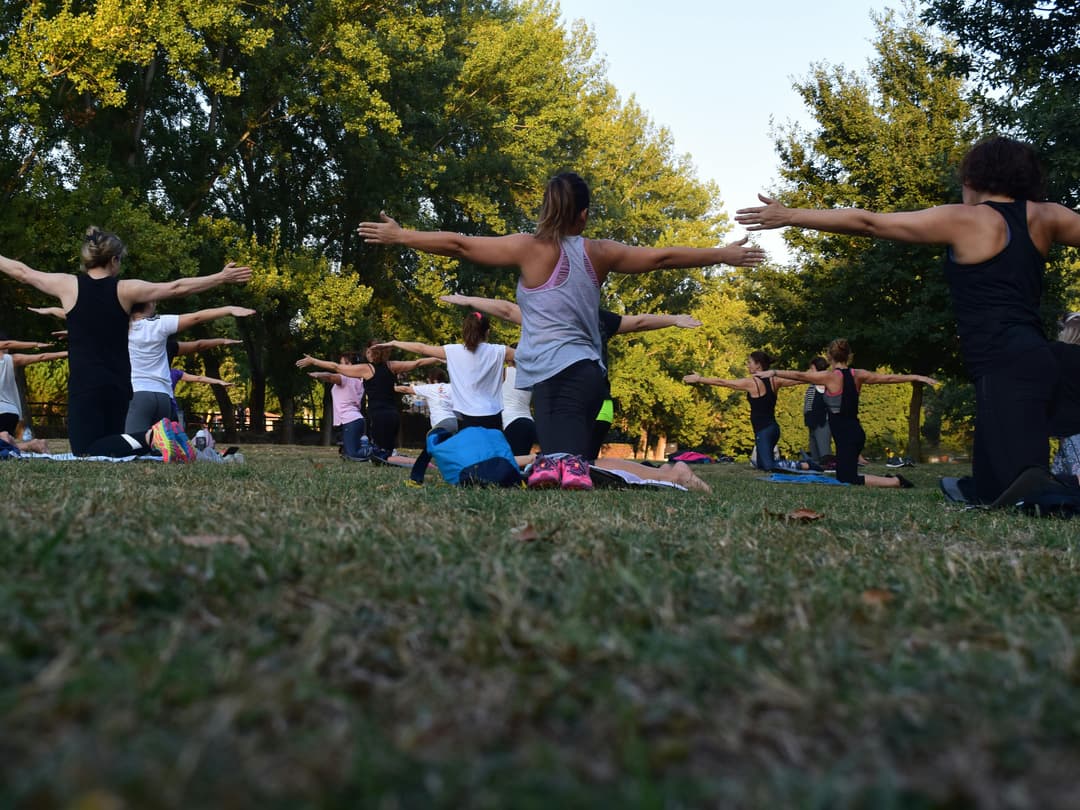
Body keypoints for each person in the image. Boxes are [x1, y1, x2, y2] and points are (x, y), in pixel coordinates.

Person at [358, 175, 764, 491]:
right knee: (561, 464)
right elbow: (662, 257)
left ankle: (672, 475)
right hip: (585, 375)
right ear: (583, 215)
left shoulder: (529, 248)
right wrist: (723, 255)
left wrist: (402, 236)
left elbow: (461, 246)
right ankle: (665, 474)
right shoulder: (600, 251)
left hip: (561, 378)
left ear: (546, 209)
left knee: (569, 467)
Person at [736, 135, 1080, 504]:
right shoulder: (1049, 216)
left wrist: (790, 215)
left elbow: (869, 223)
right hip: (1034, 359)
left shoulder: (966, 219)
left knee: (1024, 492)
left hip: (1004, 367)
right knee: (993, 487)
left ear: (975, 179)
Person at [1, 226, 252, 459]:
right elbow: (176, 288)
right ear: (113, 260)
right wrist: (219, 277)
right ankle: (167, 442)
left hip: (86, 384)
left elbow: (22, 272)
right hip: (120, 384)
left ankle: (152, 436)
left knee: (85, 450)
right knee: (114, 446)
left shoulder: (68, 285)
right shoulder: (126, 289)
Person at [755, 339, 937, 487]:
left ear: (829, 356)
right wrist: (916, 377)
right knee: (844, 474)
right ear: (849, 355)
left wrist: (774, 372)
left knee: (847, 479)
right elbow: (888, 378)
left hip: (847, 436)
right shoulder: (858, 374)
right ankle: (889, 479)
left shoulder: (829, 376)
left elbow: (800, 376)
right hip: (852, 433)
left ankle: (896, 481)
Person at [126, 302, 254, 435]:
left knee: (134, 444)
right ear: (150, 305)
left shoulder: (119, 328)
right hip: (164, 397)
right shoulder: (160, 325)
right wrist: (228, 310)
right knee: (158, 448)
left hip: (137, 394)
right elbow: (196, 322)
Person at [296, 341, 439, 455]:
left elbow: (336, 367)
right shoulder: (392, 365)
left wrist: (314, 361)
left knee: (382, 454)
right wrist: (439, 357)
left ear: (373, 353)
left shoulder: (366, 369)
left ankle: (411, 463)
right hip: (393, 415)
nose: (367, 353)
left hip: (379, 415)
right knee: (388, 451)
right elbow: (417, 362)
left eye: (369, 351)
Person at [683, 351, 803, 471]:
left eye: (750, 362)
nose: (747, 365)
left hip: (764, 432)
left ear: (758, 365)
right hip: (773, 429)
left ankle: (804, 465)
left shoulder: (751, 383)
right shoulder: (775, 380)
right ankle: (795, 464)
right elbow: (799, 379)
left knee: (768, 466)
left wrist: (699, 379)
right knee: (761, 465)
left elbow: (723, 382)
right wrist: (814, 376)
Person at [394, 366, 457, 484]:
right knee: (447, 452)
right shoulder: (452, 387)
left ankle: (415, 479)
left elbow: (406, 389)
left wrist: (388, 388)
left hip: (441, 424)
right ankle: (458, 476)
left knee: (427, 451)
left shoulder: (430, 387)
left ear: (431, 380)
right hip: (454, 422)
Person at [304, 351, 369, 460]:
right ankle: (371, 449)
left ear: (350, 365)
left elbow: (330, 377)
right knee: (347, 452)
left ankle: (376, 451)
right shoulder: (360, 380)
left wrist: (318, 374)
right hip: (356, 420)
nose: (340, 366)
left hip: (350, 420)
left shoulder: (345, 378)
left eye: (342, 363)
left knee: (352, 455)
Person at [0, 335, 68, 436]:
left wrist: (35, 344)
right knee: (5, 444)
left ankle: (35, 446)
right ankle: (36, 445)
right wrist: (68, 352)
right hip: (12, 412)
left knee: (4, 443)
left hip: (2, 411)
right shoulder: (12, 359)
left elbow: (7, 343)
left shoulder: (10, 358)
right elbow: (42, 356)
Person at [1050, 313, 1080, 484]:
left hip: (1071, 427)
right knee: (1061, 475)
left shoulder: (1055, 352)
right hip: (1070, 427)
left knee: (1066, 476)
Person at [803, 356, 832, 463]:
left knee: (823, 449)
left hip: (822, 421)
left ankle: (828, 466)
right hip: (812, 421)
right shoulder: (812, 384)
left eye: (812, 369)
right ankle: (816, 465)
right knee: (814, 447)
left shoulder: (825, 384)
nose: (810, 371)